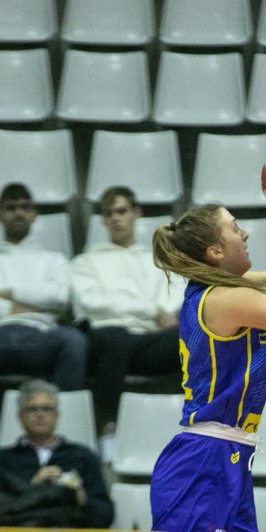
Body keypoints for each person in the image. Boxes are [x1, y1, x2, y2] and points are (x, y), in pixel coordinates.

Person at [148, 183, 266, 532]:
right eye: (235, 229)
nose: (245, 232)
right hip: (204, 462)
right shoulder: (227, 298)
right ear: (215, 252)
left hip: (227, 456)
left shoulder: (234, 289)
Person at [69, 186, 182, 455]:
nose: (115, 219)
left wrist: (157, 315)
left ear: (136, 214)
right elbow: (92, 304)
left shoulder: (160, 259)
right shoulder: (86, 262)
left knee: (199, 334)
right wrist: (151, 312)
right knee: (114, 335)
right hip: (107, 342)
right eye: (109, 214)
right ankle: (107, 430)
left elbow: (175, 294)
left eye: (121, 211)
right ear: (103, 221)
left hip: (149, 342)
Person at [0, 183, 87, 391]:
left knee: (74, 341)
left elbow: (61, 298)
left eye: (24, 207)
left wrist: (10, 293)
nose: (18, 213)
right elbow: (50, 301)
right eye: (11, 208)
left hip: (41, 335)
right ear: (1, 214)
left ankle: (66, 417)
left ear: (34, 215)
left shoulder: (54, 260)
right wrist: (27, 306)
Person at [0, 379, 113, 528]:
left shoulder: (82, 456)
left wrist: (81, 498)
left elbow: (105, 516)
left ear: (56, 415)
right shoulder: (4, 459)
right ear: (20, 416)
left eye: (46, 409)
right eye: (33, 409)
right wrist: (33, 489)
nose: (40, 415)